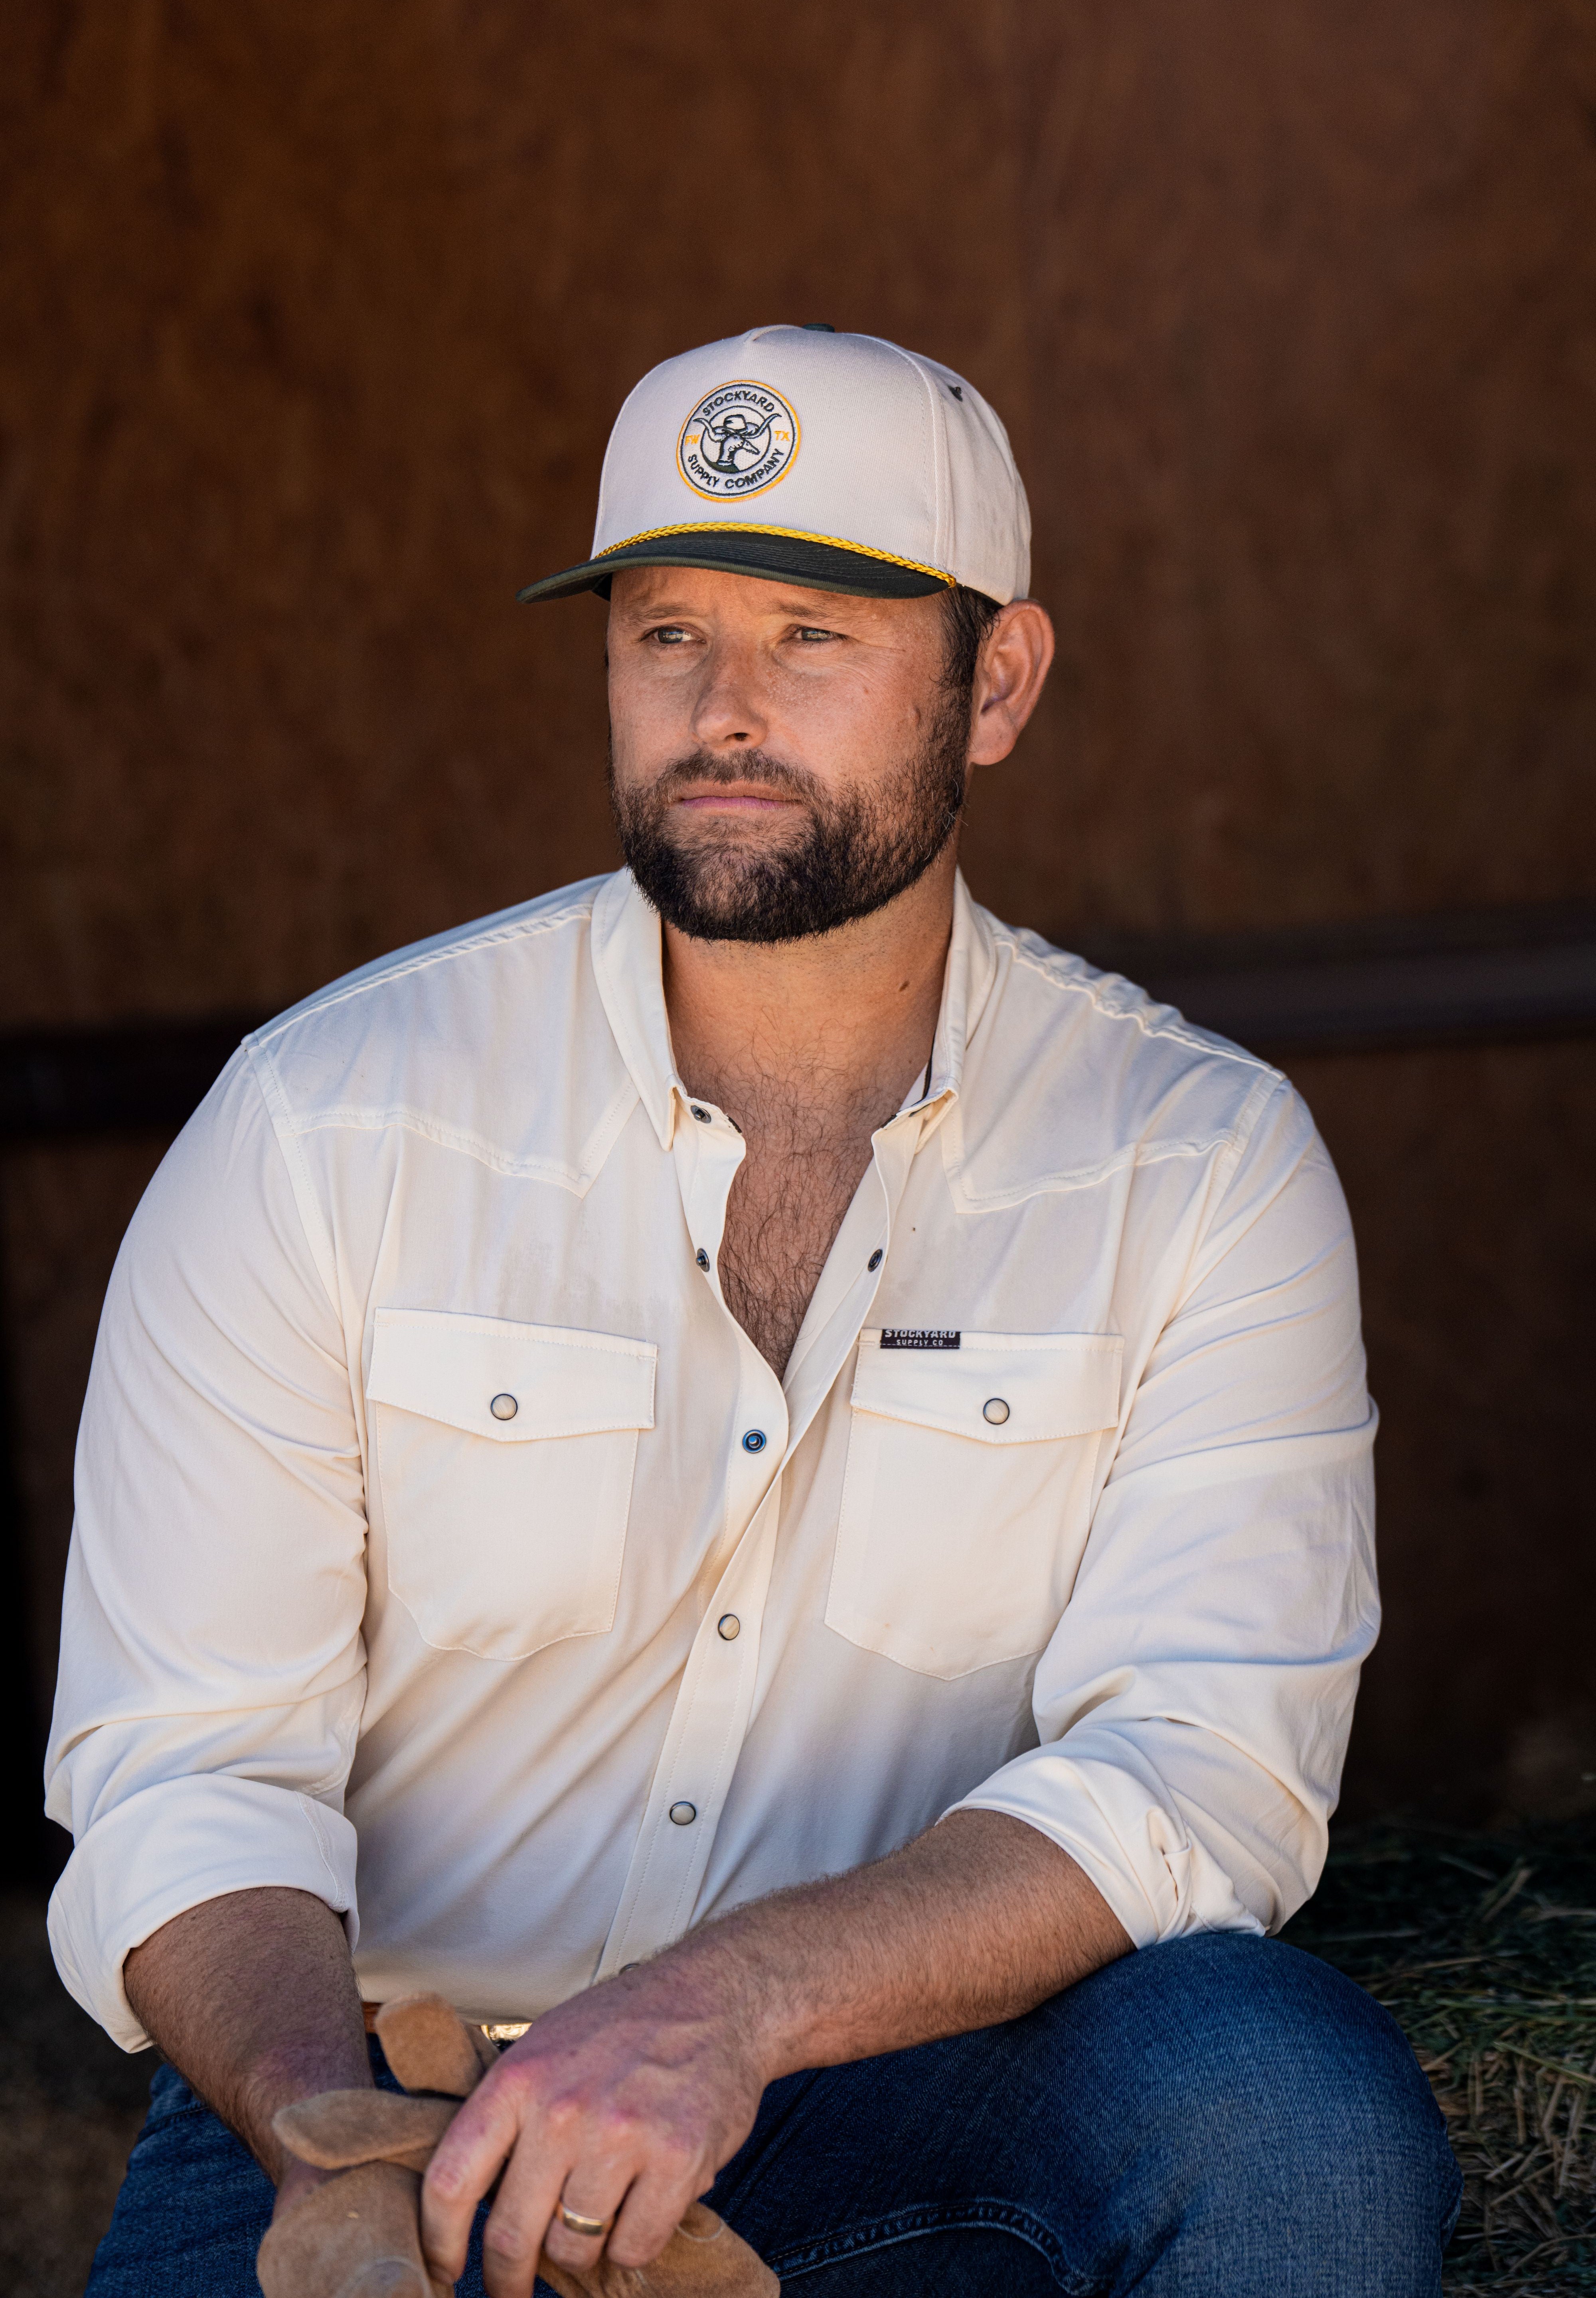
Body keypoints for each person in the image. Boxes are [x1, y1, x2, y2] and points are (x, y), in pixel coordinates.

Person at [49, 325, 1458, 2296]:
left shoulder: (1196, 1162)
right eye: (663, 633)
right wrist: (318, 2120)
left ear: (1000, 685)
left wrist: (722, 2014)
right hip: (383, 2113)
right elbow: (186, 1770)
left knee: (1278, 2100)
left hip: (890, 2086)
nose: (721, 706)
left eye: (814, 634)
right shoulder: (319, 1122)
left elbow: (1199, 1771)